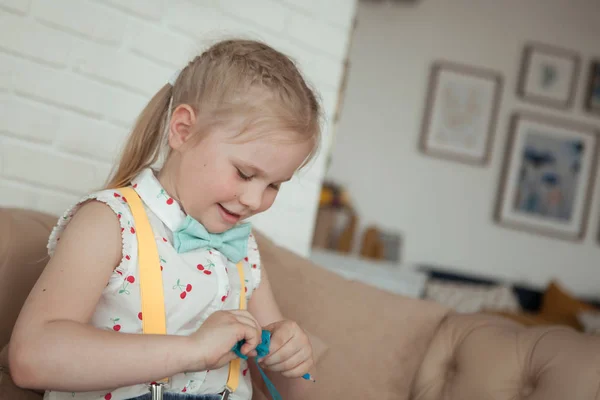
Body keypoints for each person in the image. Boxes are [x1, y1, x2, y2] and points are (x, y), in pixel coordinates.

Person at [8, 38, 321, 400]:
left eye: (275, 185)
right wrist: (193, 350)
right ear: (183, 130)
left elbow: (298, 394)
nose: (255, 201)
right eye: (245, 173)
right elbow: (30, 357)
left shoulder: (243, 249)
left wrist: (291, 357)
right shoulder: (109, 223)